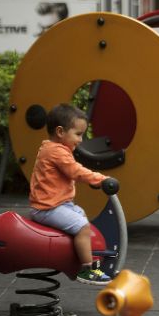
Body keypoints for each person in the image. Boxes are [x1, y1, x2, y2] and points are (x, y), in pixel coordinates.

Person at [28, 103, 112, 286]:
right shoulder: (57, 152)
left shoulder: (51, 148)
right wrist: (100, 179)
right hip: (47, 208)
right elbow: (75, 171)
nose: (81, 140)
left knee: (81, 215)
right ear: (60, 132)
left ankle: (78, 263)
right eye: (78, 134)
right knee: (82, 226)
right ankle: (86, 269)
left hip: (57, 204)